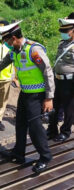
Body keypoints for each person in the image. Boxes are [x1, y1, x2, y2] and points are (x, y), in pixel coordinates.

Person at [0, 21, 55, 174]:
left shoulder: (34, 50)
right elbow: (0, 65)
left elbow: (48, 72)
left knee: (35, 128)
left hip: (37, 96)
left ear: (13, 38)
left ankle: (45, 157)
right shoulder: (15, 52)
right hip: (24, 94)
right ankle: (19, 154)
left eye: (7, 41)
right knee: (20, 124)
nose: (6, 44)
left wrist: (49, 98)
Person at [47, 12, 74, 142]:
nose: (63, 32)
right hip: (57, 79)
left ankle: (66, 131)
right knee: (53, 106)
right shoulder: (63, 43)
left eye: (66, 30)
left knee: (69, 108)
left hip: (70, 82)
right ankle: (52, 129)